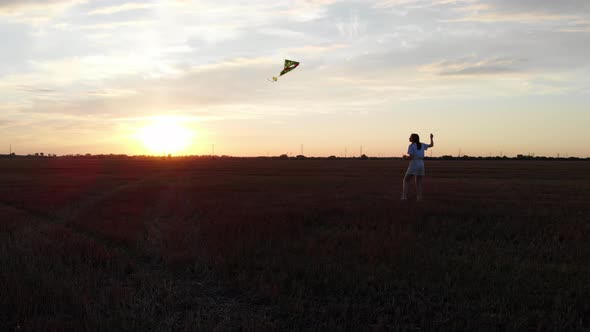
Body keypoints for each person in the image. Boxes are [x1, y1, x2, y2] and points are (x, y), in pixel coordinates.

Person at [401, 133, 434, 200]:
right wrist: (431, 138)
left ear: (413, 139)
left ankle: (404, 197)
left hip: (414, 163)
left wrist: (405, 157)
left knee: (406, 180)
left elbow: (411, 156)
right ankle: (419, 197)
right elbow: (431, 145)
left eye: (410, 137)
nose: (409, 138)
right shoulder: (422, 144)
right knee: (418, 182)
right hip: (421, 164)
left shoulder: (411, 146)